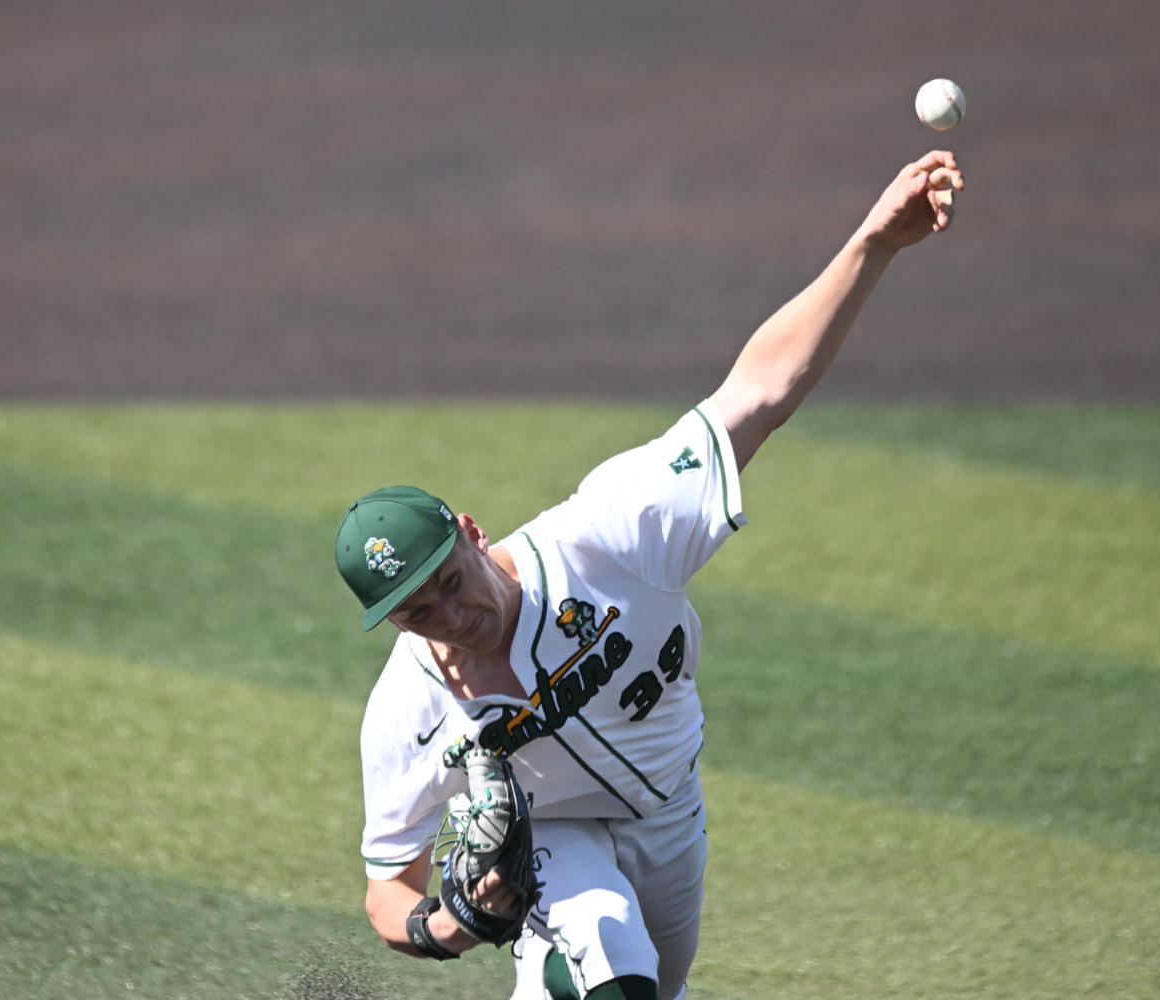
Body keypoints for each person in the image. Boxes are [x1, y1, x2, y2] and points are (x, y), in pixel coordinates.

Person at [334, 150, 965, 1000]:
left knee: (651, 988)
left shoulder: (608, 534)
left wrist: (873, 242)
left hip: (673, 815)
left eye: (449, 580)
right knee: (608, 973)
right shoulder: (405, 709)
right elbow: (387, 882)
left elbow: (757, 392)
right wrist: (445, 927)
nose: (451, 614)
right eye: (417, 613)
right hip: (556, 840)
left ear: (473, 534)